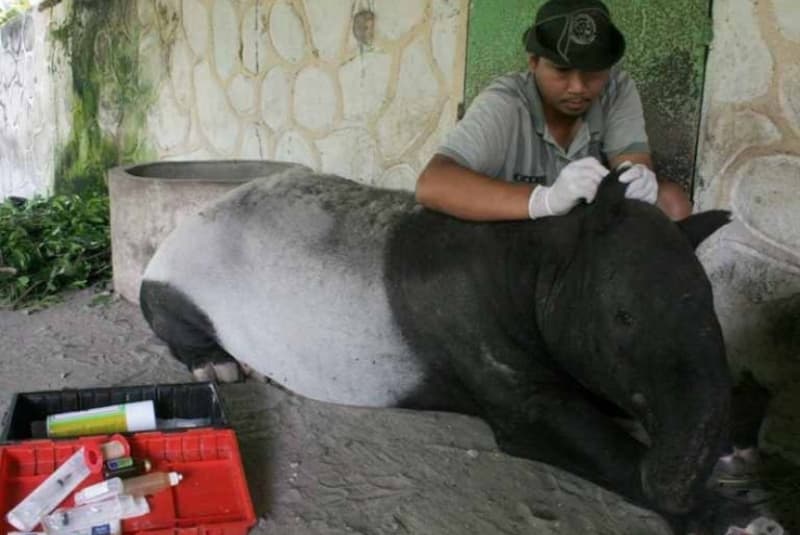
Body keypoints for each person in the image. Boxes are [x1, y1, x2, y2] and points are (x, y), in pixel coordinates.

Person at [415, 0, 692, 222]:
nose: (577, 87)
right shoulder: (506, 102)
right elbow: (432, 184)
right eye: (561, 70)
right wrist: (544, 200)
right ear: (534, 62)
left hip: (581, 238)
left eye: (593, 72)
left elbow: (632, 163)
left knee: (671, 203)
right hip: (510, 239)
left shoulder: (616, 89)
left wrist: (638, 178)